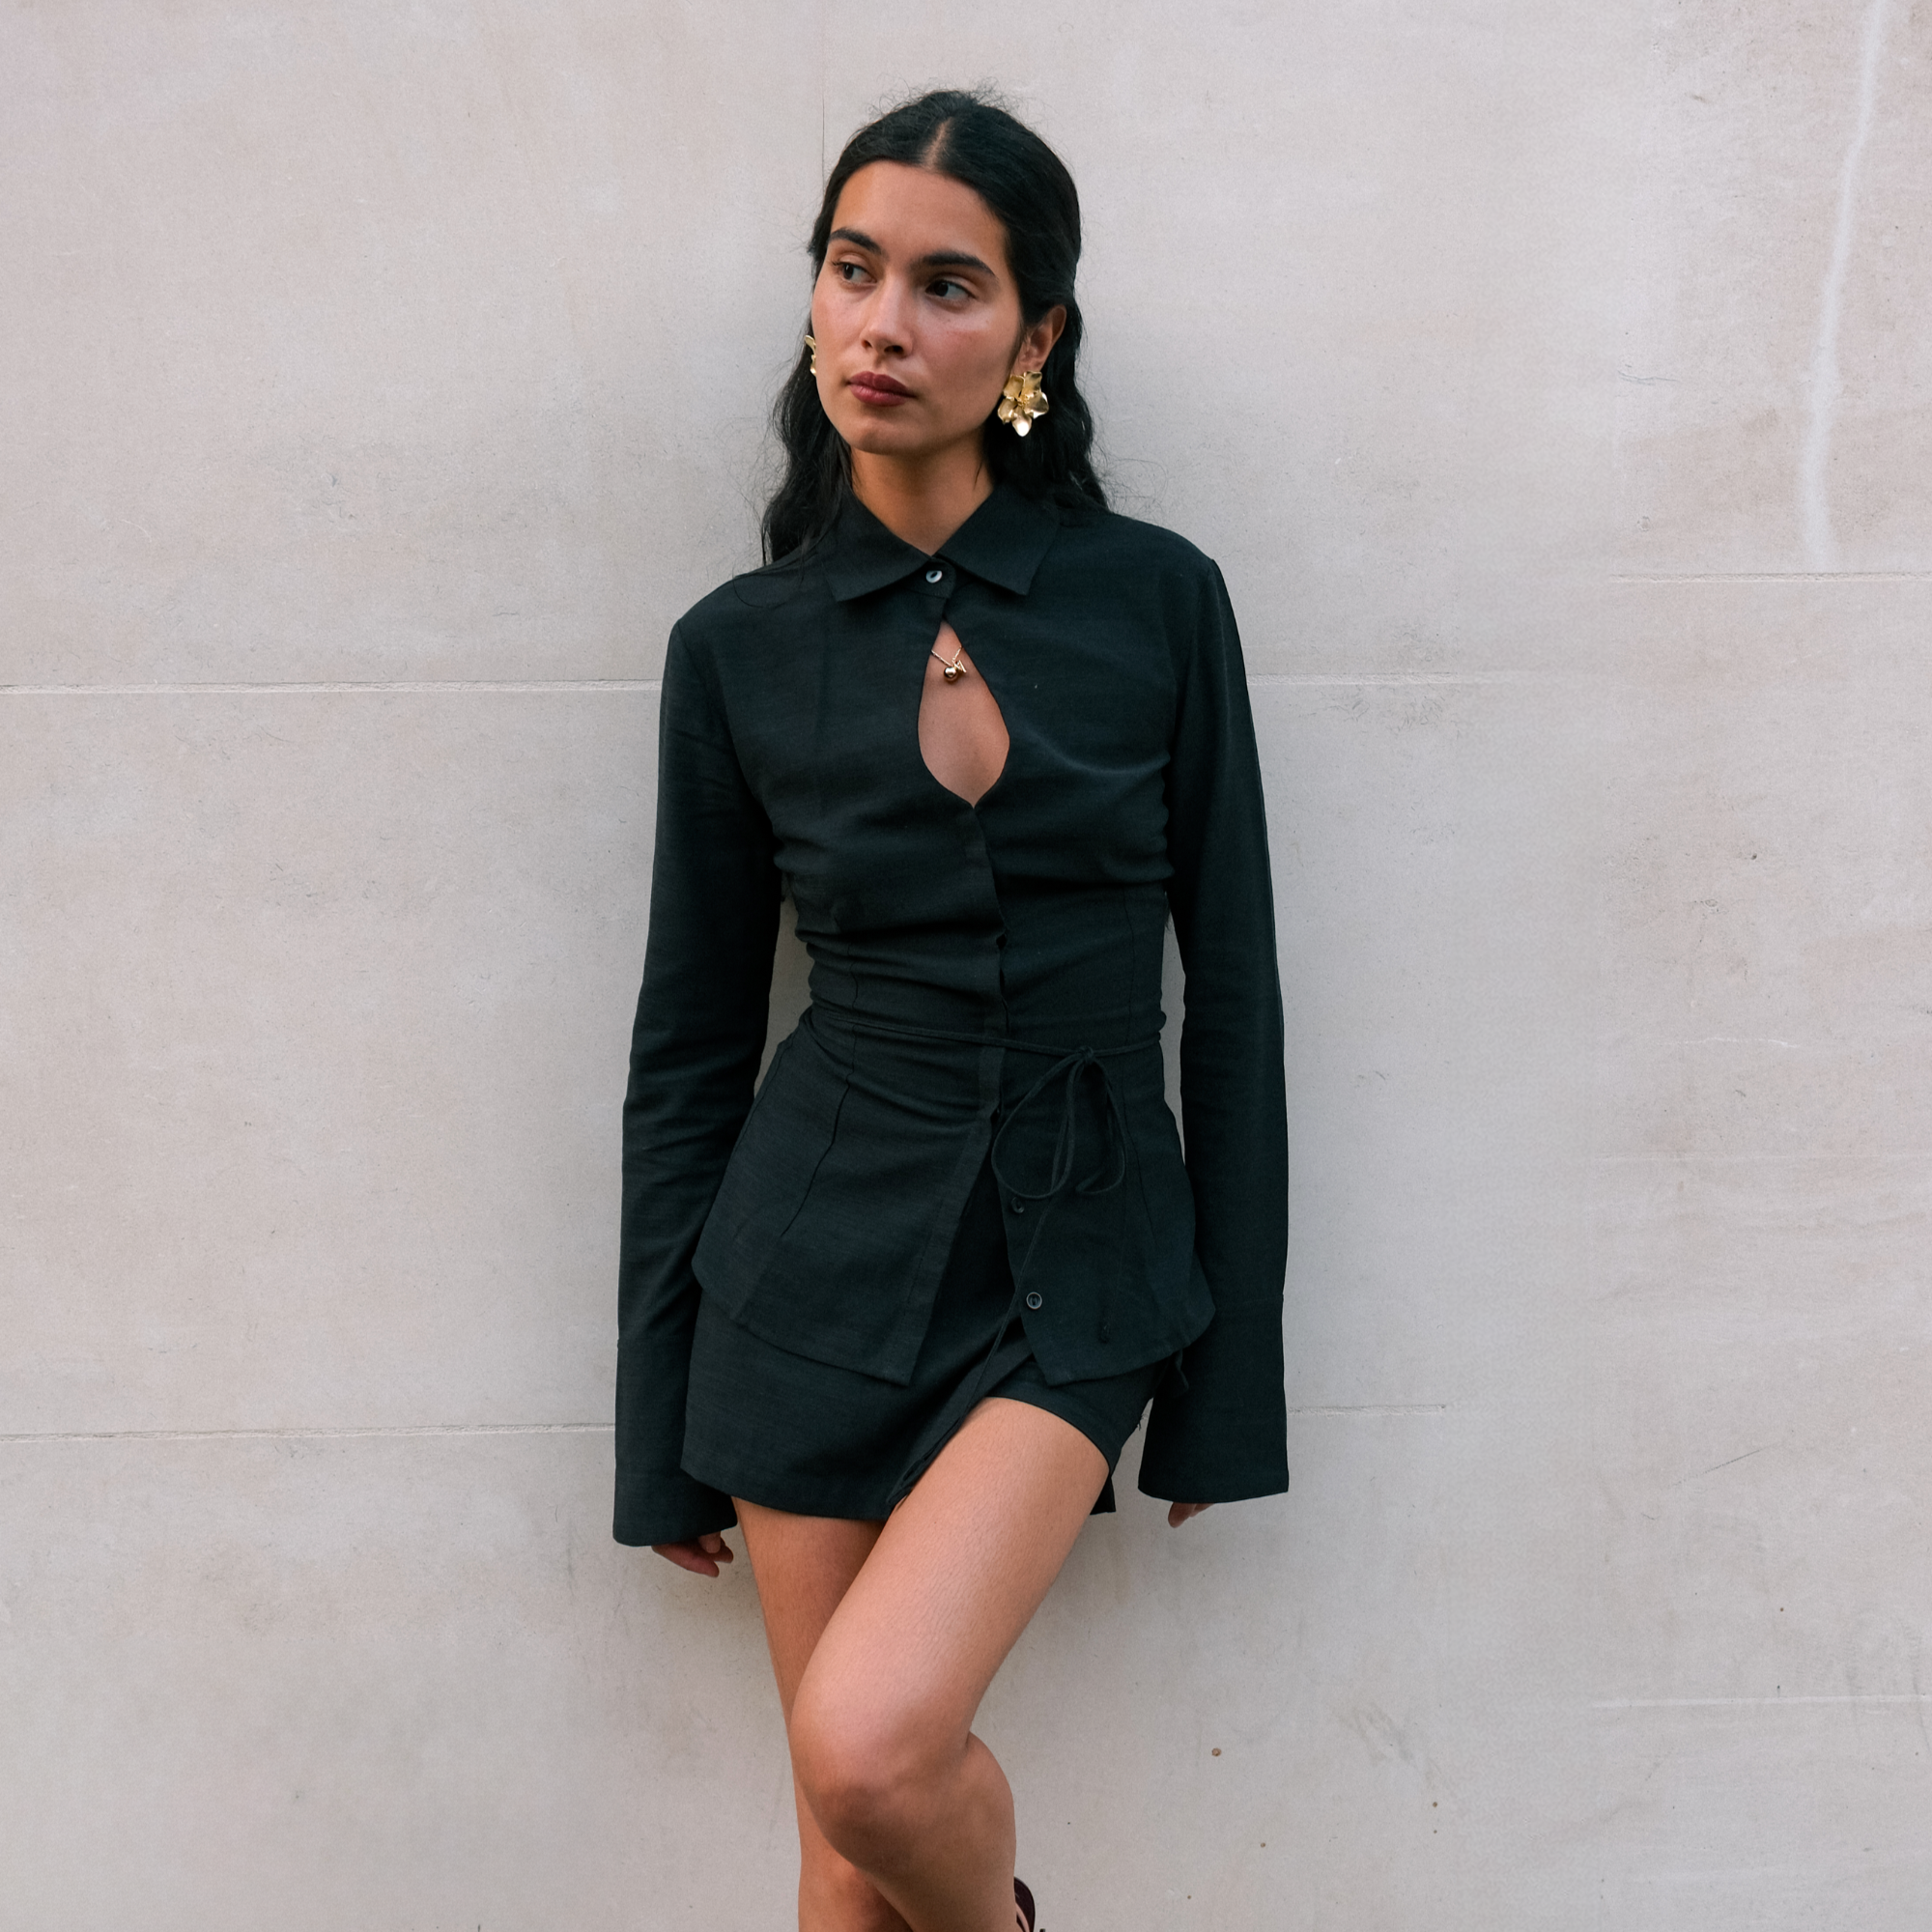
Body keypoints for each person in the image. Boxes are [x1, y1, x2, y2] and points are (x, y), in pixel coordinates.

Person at [614, 89, 1288, 1932]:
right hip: (799, 1274)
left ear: (1034, 338)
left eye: (946, 285)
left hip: (1085, 1263)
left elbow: (1233, 996)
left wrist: (1227, 1393)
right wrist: (655, 1418)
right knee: (843, 1877)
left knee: (871, 1755)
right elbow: (688, 1051)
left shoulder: (1157, 605)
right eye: (852, 271)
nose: (883, 324)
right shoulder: (737, 647)